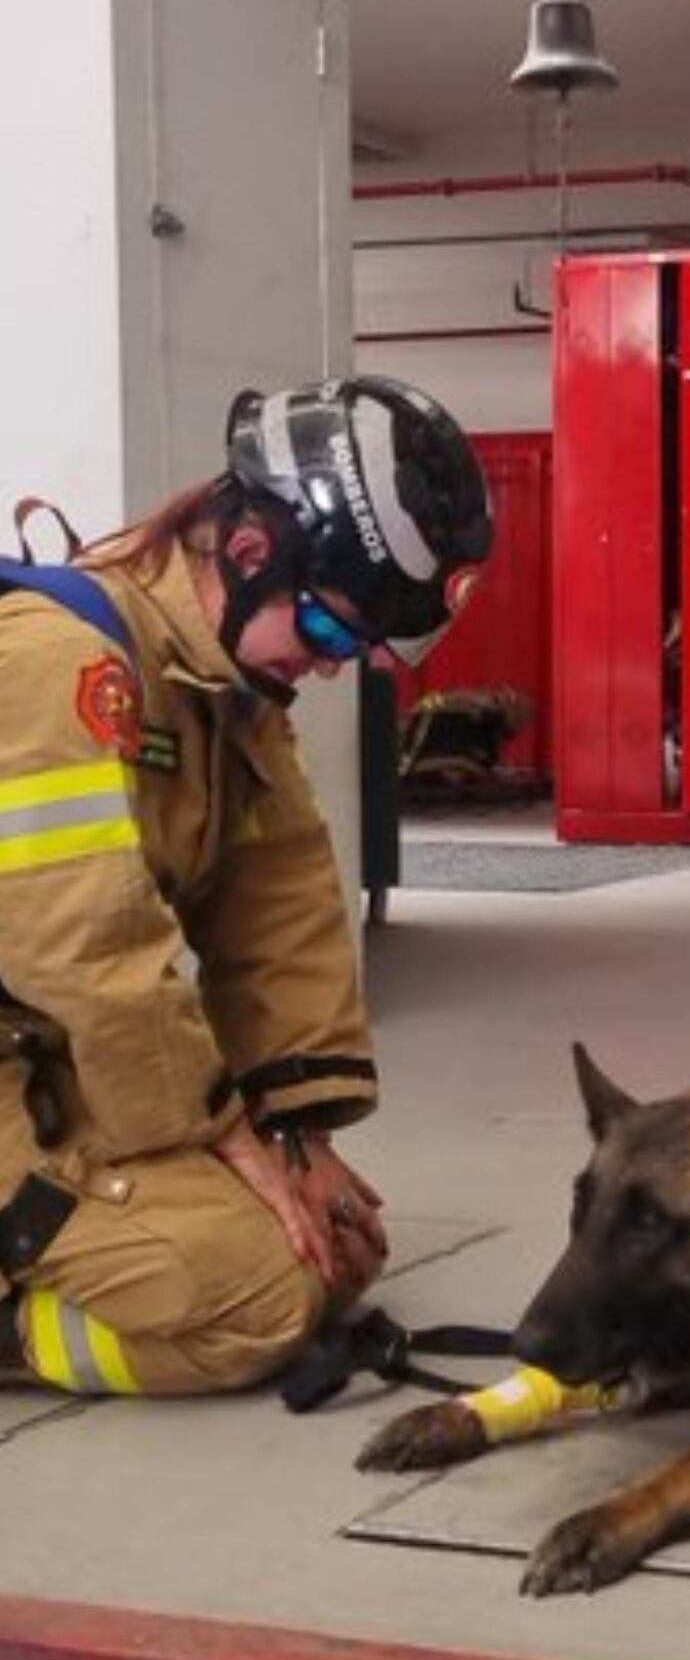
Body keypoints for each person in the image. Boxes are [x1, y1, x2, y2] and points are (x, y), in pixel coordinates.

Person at [0, 376, 492, 1395]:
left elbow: (283, 908)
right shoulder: (61, 666)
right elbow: (87, 954)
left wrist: (293, 1133)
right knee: (261, 1298)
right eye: (326, 636)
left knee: (335, 1252)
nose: (327, 669)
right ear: (252, 552)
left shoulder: (221, 694)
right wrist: (226, 1137)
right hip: (30, 1056)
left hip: (46, 1061)